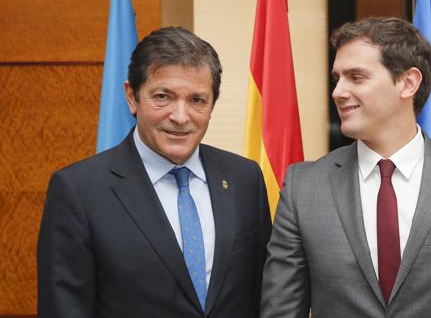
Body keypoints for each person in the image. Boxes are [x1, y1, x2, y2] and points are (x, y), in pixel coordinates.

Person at [260, 17, 431, 317]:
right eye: (337, 78)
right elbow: (281, 311)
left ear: (407, 83)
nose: (337, 91)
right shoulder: (303, 186)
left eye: (356, 77)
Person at [37, 27, 271, 318]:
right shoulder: (78, 191)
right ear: (132, 98)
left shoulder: (244, 179)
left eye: (197, 100)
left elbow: (264, 295)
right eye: (163, 97)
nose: (181, 116)